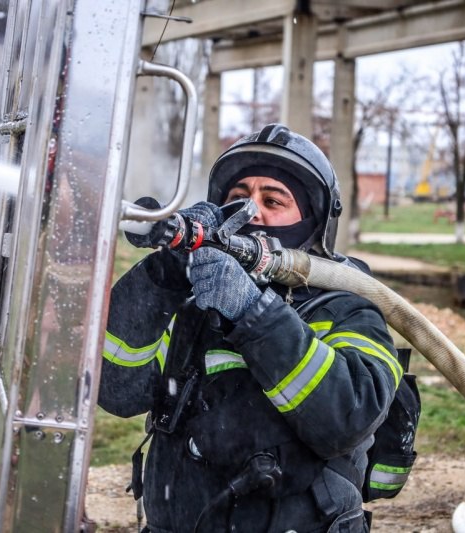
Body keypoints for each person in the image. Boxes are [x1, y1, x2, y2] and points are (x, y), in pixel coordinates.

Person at [99, 124, 400, 532]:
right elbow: (115, 389)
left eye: (272, 199)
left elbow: (347, 418)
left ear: (311, 223)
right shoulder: (191, 301)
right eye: (238, 198)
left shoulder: (347, 306)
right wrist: (165, 274)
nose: (251, 212)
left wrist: (252, 311)